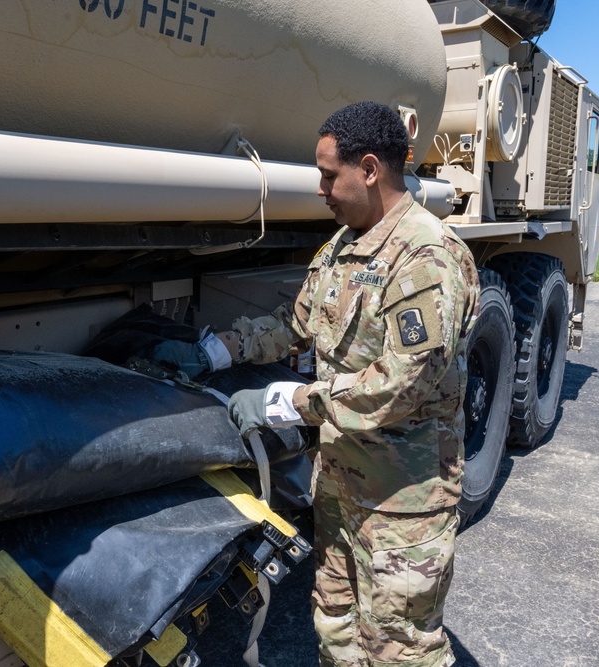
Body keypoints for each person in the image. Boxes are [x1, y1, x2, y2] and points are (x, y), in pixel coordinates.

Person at [154, 101, 479, 666]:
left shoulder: (427, 258)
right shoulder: (343, 248)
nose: (321, 189)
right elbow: (296, 323)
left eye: (330, 175)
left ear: (371, 169)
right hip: (340, 487)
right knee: (337, 631)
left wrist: (288, 402)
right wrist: (215, 351)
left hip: (402, 501)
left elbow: (401, 386)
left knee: (401, 649)